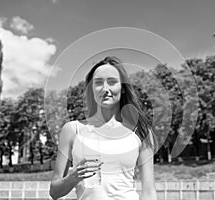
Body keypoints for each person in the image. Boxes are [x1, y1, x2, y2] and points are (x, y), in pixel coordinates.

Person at [49, 56, 158, 200]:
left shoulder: (141, 132)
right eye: (98, 83)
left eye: (112, 82)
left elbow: (149, 192)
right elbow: (54, 192)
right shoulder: (72, 130)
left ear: (123, 88)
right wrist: (73, 177)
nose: (105, 89)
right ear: (91, 89)